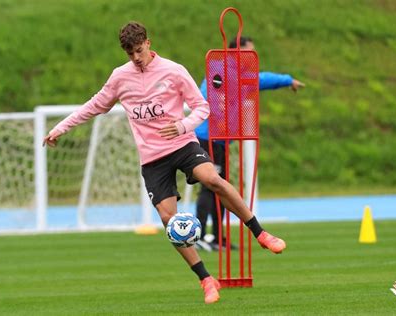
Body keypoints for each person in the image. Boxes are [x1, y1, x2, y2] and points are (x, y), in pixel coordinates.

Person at [43, 22, 286, 304]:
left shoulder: (173, 70)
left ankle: (260, 233)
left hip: (181, 144)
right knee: (170, 220)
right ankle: (206, 279)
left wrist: (183, 127)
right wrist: (60, 128)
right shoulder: (120, 77)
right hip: (152, 158)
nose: (135, 57)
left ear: (148, 42)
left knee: (212, 179)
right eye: (129, 53)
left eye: (138, 50)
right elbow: (95, 105)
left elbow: (202, 107)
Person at [195, 36, 305, 252]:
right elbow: (206, 98)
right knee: (210, 188)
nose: (252, 56)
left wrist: (287, 80)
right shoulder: (219, 69)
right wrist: (221, 116)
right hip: (209, 137)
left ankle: (217, 237)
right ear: (237, 51)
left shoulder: (239, 74)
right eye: (248, 52)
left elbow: (261, 80)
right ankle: (199, 236)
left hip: (221, 139)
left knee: (222, 189)